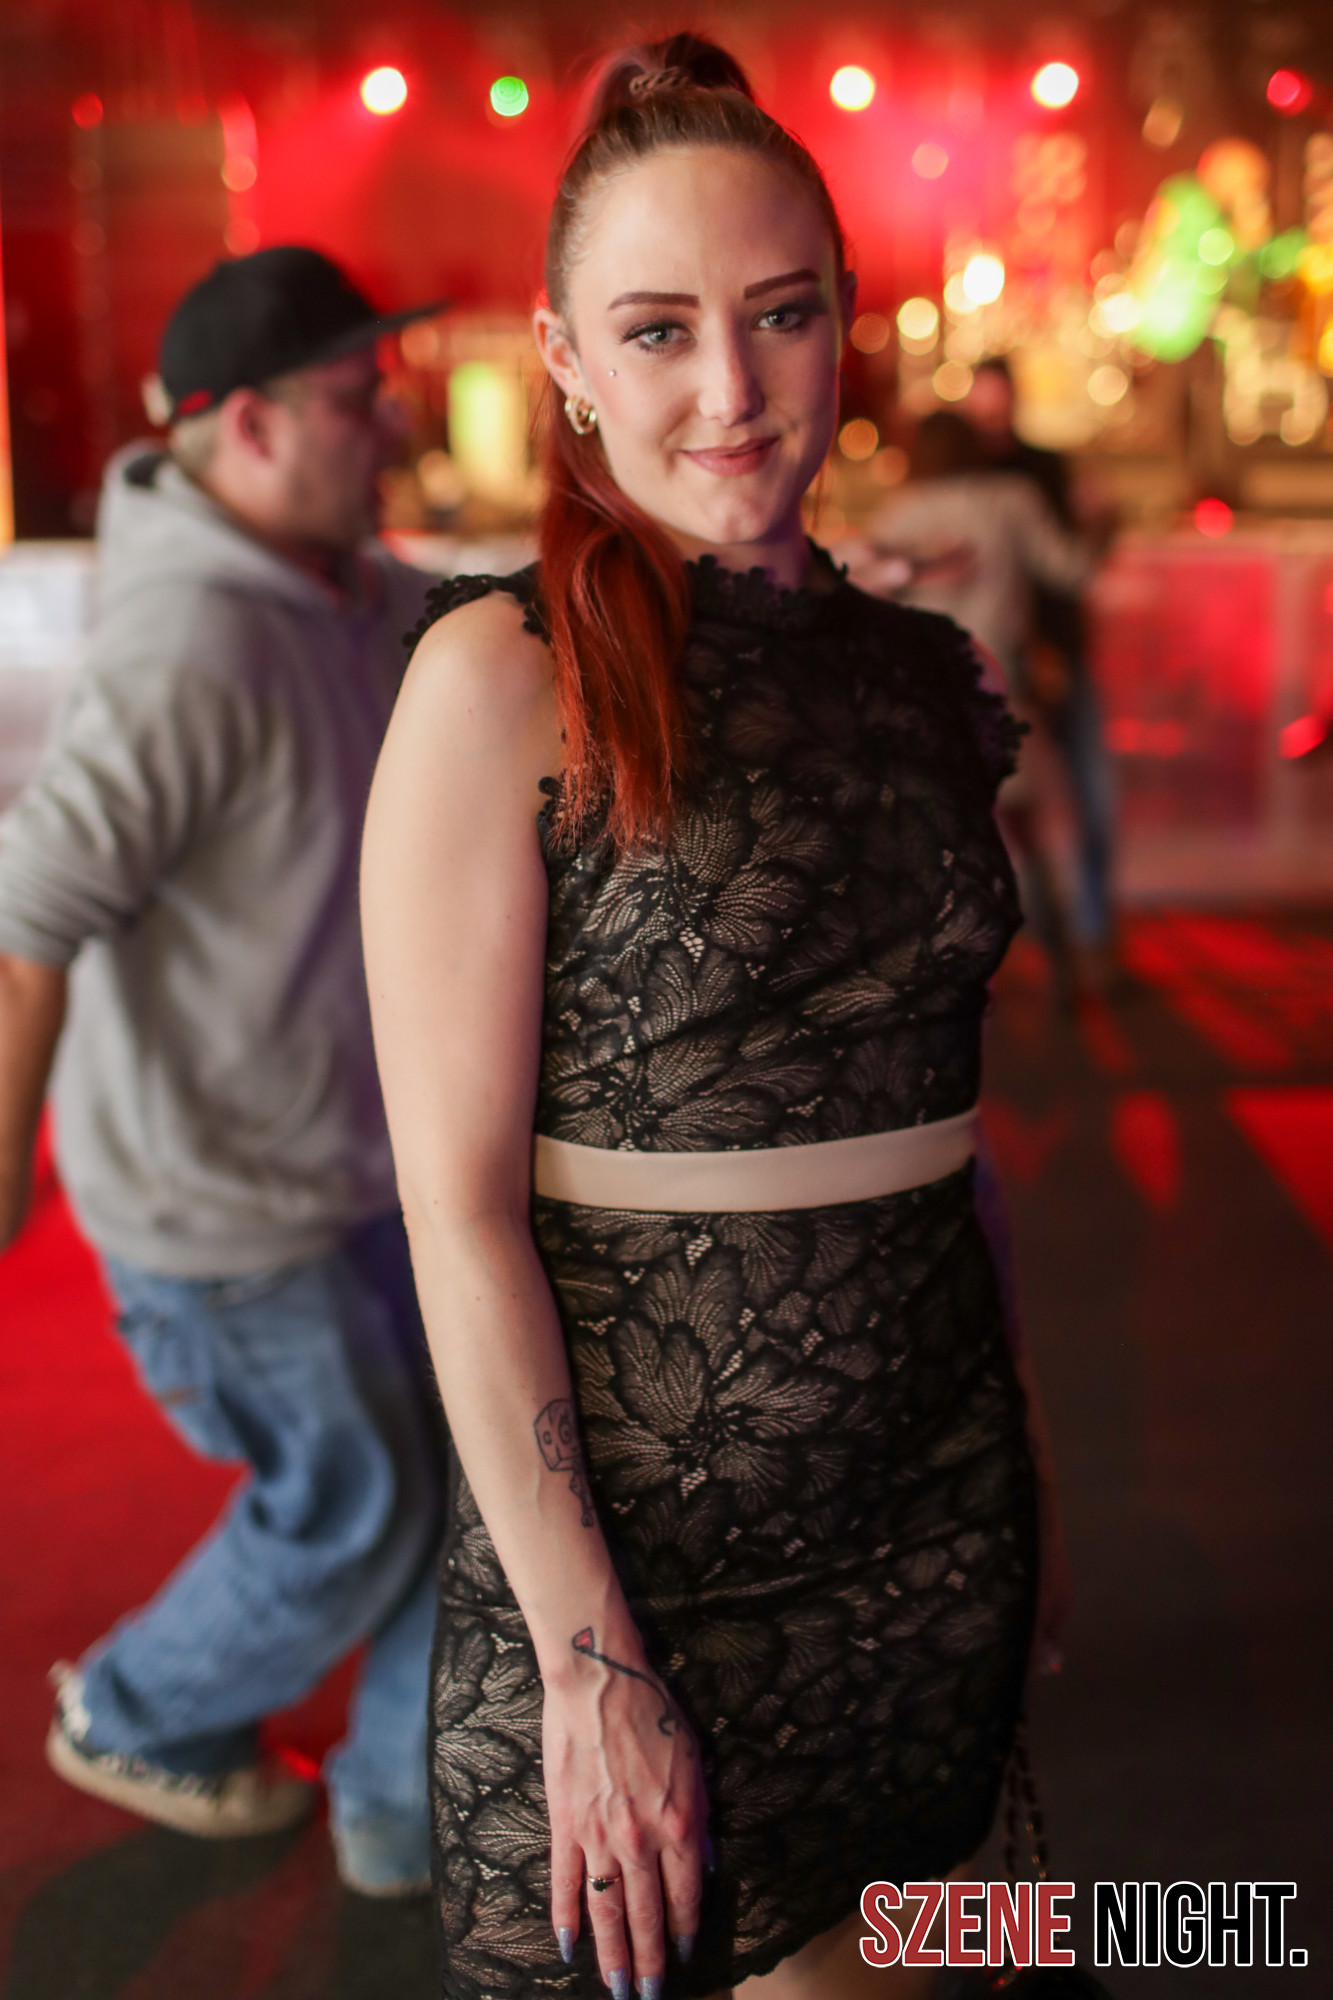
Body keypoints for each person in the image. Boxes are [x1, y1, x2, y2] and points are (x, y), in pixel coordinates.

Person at [361, 35, 1064, 2000]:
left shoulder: (922, 675)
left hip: (935, 1532)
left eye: (781, 314)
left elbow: (942, 1130)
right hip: (639, 1586)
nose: (732, 390)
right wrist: (588, 1659)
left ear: (849, 321)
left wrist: (1030, 1463)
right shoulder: (494, 679)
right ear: (564, 357)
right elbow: (454, 1210)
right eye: (658, 330)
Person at [0, 246, 447, 1896]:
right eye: (353, 399)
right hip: (224, 1210)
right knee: (356, 1502)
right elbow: (23, 922)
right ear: (248, 426)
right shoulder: (191, 641)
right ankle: (137, 1711)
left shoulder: (347, 589)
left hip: (342, 1169)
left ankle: (398, 1808)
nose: (388, 424)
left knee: (458, 1471)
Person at [848, 408, 1095, 974]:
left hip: (929, 701)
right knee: (1027, 837)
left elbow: (865, 601)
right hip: (1001, 689)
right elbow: (1072, 570)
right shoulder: (1013, 500)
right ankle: (1061, 972)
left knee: (938, 848)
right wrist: (1103, 521)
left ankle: (963, 983)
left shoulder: (903, 511)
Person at [964, 357, 1119, 979]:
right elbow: (1072, 564)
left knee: (1083, 798)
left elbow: (1066, 568)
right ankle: (1052, 944)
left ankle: (1082, 939)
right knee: (1016, 811)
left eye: (999, 408)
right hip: (1004, 666)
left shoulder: (1036, 471)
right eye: (983, 410)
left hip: (1039, 658)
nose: (992, 421)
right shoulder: (977, 481)